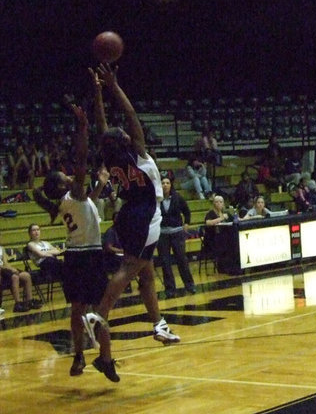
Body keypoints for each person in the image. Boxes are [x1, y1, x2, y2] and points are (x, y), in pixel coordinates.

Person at [82, 63, 180, 383]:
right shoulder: (137, 153)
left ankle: (158, 325)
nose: (127, 130)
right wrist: (113, 86)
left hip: (126, 214)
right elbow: (132, 115)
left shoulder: (110, 156)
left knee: (145, 273)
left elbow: (102, 126)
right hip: (145, 215)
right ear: (127, 140)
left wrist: (97, 92)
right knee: (129, 270)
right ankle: (98, 314)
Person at [32, 103, 112, 378]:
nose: (71, 174)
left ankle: (78, 355)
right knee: (101, 307)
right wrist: (82, 126)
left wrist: (100, 184)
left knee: (77, 308)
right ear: (63, 184)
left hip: (74, 256)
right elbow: (81, 156)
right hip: (89, 255)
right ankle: (104, 357)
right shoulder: (75, 192)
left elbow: (89, 205)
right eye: (66, 175)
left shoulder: (62, 204)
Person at [158, 176, 196, 297]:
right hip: (162, 234)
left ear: (171, 185)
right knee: (165, 262)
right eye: (163, 183)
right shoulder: (157, 199)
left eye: (167, 183)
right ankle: (170, 289)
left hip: (177, 232)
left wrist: (186, 223)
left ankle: (190, 285)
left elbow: (187, 212)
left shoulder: (178, 197)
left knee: (182, 260)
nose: (165, 185)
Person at [0, 228, 39, 313]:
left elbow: (5, 262)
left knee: (26, 275)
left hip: (5, 269)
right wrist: (9, 269)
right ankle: (17, 303)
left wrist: (11, 268)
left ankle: (29, 301)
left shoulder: (1, 248)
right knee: (14, 277)